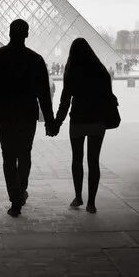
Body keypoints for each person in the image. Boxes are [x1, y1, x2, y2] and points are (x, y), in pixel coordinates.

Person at [0, 18, 57, 217]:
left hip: (4, 114)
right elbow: (44, 95)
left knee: (8, 156)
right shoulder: (35, 59)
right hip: (27, 113)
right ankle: (20, 191)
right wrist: (49, 120)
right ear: (27, 34)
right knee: (25, 154)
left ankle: (15, 199)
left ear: (9, 32)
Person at [51, 37, 113, 213]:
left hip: (78, 120)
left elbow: (65, 101)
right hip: (97, 121)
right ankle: (91, 203)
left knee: (77, 159)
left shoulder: (72, 72)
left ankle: (78, 196)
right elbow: (108, 97)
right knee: (94, 161)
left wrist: (57, 123)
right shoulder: (101, 71)